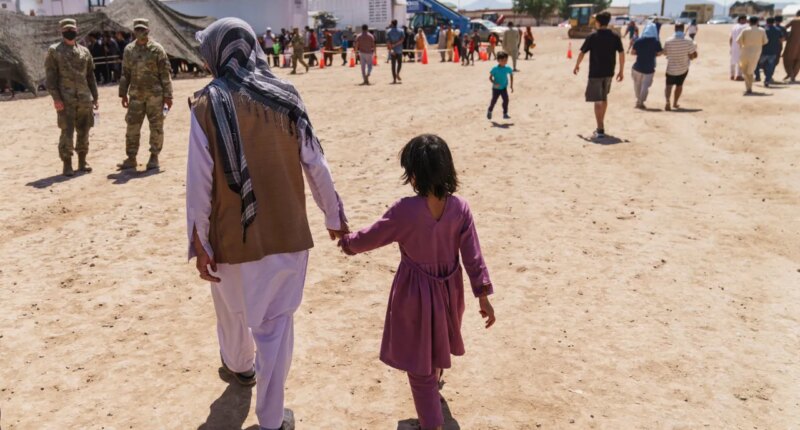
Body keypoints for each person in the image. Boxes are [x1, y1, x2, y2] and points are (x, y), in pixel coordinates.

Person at [188, 17, 348, 430]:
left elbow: (199, 182)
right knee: (274, 329)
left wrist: (200, 241)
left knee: (231, 308)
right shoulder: (286, 95)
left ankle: (239, 366)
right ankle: (272, 420)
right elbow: (316, 162)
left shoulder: (206, 104)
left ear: (217, 53)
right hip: (286, 235)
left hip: (229, 238)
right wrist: (333, 214)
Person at [337, 134, 496, 430]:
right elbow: (473, 256)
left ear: (414, 174)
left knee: (419, 365)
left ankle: (432, 424)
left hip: (415, 295)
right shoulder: (460, 208)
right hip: (450, 292)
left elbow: (372, 236)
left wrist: (347, 243)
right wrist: (483, 295)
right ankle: (434, 390)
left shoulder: (405, 210)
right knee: (436, 345)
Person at [44, 18, 98, 176]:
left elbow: (90, 76)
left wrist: (95, 97)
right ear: (61, 32)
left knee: (84, 130)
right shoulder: (54, 51)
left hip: (84, 99)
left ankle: (82, 161)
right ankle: (67, 164)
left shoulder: (84, 51)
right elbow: (50, 78)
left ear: (76, 30)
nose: (70, 32)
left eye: (72, 29)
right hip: (65, 100)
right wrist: (56, 98)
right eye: (66, 30)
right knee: (67, 132)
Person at [117, 18, 173, 171]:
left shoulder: (157, 49)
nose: (140, 32)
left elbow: (165, 74)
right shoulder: (129, 50)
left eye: (143, 30)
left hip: (155, 97)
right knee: (132, 127)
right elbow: (125, 73)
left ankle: (154, 157)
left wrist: (168, 96)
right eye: (138, 30)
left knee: (156, 126)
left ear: (148, 30)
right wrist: (123, 94)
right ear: (134, 31)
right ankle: (131, 157)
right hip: (135, 97)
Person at [573, 12, 624, 139]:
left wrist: (577, 65)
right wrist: (621, 71)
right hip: (609, 72)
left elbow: (582, 52)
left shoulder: (592, 36)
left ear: (598, 22)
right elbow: (621, 53)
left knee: (598, 100)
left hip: (595, 73)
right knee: (604, 98)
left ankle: (600, 128)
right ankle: (600, 125)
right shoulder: (615, 36)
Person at [663, 23, 698, 110]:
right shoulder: (688, 40)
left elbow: (665, 53)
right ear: (683, 29)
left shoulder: (668, 40)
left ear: (675, 29)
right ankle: (675, 103)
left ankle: (667, 101)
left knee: (668, 85)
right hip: (683, 68)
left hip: (671, 68)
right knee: (679, 85)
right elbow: (692, 55)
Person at [630, 23, 663, 109]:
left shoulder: (638, 41)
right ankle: (641, 102)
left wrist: (640, 53)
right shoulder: (656, 42)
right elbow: (660, 53)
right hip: (649, 68)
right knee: (645, 86)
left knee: (637, 85)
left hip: (637, 67)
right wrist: (653, 54)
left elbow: (632, 52)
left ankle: (638, 100)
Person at [737, 16, 768, 94]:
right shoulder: (762, 30)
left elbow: (738, 41)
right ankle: (749, 86)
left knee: (745, 70)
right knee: (750, 70)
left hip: (745, 52)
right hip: (756, 53)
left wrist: (745, 44)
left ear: (749, 22)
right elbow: (765, 41)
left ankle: (748, 87)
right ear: (757, 22)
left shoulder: (745, 30)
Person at [755, 17, 785, 87]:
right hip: (773, 51)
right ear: (774, 22)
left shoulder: (763, 30)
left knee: (757, 64)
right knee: (770, 67)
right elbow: (782, 39)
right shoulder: (778, 30)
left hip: (763, 51)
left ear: (766, 22)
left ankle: (757, 76)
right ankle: (767, 80)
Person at [487, 51, 513, 120]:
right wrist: (494, 83)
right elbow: (490, 78)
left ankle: (505, 113)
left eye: (505, 60)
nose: (504, 62)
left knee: (506, 100)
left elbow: (511, 74)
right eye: (502, 60)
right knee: (494, 101)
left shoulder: (507, 68)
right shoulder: (495, 69)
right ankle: (490, 110)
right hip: (496, 88)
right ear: (498, 60)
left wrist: (511, 85)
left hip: (503, 88)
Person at [783, 11, 800, 82]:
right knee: (798, 60)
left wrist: (786, 36)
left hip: (792, 42)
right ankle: (793, 75)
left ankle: (790, 74)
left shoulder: (794, 20)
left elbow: (784, 28)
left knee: (788, 58)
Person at [730, 15, 748, 80]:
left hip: (733, 46)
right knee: (740, 61)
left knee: (733, 61)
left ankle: (732, 75)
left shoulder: (734, 27)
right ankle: (739, 75)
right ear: (742, 20)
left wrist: (731, 46)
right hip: (741, 46)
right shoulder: (745, 27)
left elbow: (731, 38)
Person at [387, 19, 404, 84]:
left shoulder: (388, 31)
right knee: (399, 63)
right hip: (399, 49)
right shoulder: (401, 30)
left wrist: (391, 48)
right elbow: (402, 40)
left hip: (392, 50)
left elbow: (388, 42)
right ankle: (398, 73)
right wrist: (396, 44)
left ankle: (394, 80)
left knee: (393, 65)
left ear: (392, 24)